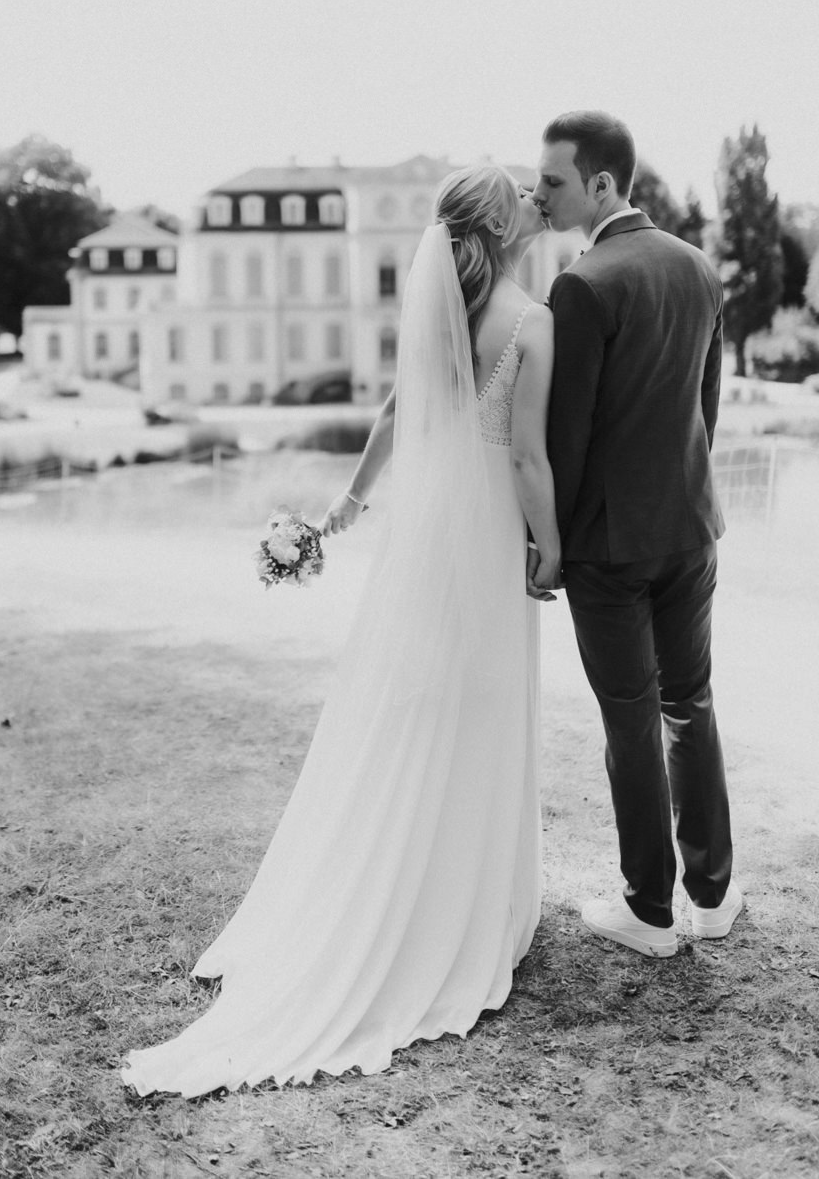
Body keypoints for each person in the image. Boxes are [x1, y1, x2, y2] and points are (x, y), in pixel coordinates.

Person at [120, 165, 558, 1098]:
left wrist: (348, 503)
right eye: (520, 193)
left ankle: (445, 886)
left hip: (433, 537)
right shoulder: (529, 320)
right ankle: (470, 906)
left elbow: (401, 412)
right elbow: (524, 455)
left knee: (427, 702)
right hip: (486, 538)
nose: (533, 201)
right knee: (483, 701)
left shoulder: (447, 318)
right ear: (499, 221)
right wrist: (553, 546)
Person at [533, 110, 740, 958]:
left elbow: (565, 439)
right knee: (688, 702)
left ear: (603, 185)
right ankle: (714, 895)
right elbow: (707, 407)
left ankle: (650, 911)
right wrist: (684, 493)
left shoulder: (583, 284)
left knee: (629, 719)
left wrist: (551, 542)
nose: (538, 193)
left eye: (553, 180)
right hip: (691, 527)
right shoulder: (698, 267)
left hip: (609, 546)